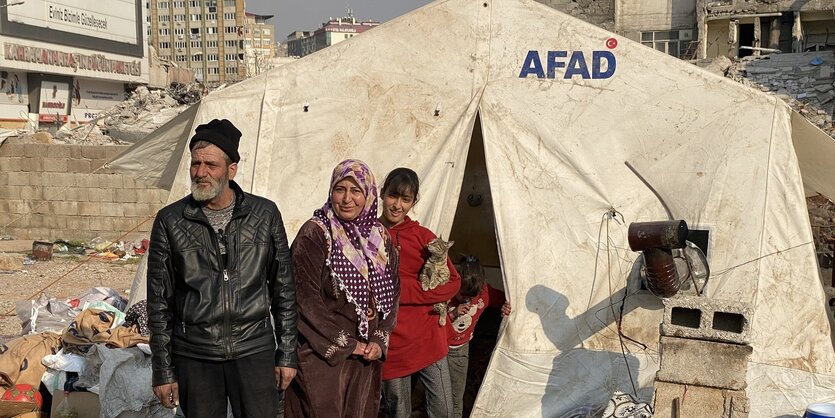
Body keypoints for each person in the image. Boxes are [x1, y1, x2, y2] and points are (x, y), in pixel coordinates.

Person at [147, 119, 298, 417]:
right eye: (195, 164)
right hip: (195, 353)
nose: (200, 173)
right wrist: (163, 370)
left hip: (254, 349)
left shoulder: (264, 215)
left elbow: (284, 290)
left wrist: (288, 352)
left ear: (231, 170)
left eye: (211, 165)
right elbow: (159, 303)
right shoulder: (171, 221)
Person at [285, 159, 400, 418]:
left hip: (365, 359)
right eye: (340, 189)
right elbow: (304, 300)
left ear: (368, 195)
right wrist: (347, 343)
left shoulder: (380, 236)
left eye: (356, 191)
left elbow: (393, 292)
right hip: (323, 357)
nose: (347, 199)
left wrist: (380, 338)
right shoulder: (315, 233)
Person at [379, 167, 460, 418]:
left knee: (443, 411)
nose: (397, 205)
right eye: (393, 196)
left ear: (414, 202)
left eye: (406, 199)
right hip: (391, 339)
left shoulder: (424, 238)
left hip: (428, 337)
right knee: (398, 413)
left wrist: (401, 290)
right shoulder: (368, 235)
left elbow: (453, 283)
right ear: (382, 194)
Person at [446, 255, 512, 418]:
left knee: (456, 393)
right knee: (437, 393)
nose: (466, 300)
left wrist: (506, 307)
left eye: (470, 297)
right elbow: (430, 320)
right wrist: (453, 313)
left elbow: (507, 298)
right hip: (438, 347)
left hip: (461, 349)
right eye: (462, 295)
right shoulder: (446, 290)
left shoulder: (484, 293)